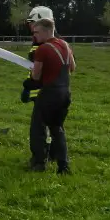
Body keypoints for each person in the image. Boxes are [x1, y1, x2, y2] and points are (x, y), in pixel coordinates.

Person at [24, 17, 75, 174]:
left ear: (46, 31)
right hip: (65, 93)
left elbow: (36, 76)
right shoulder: (65, 45)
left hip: (49, 94)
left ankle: (39, 163)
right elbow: (72, 67)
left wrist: (28, 83)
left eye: (37, 32)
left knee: (37, 128)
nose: (34, 35)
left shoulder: (42, 49)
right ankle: (63, 166)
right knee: (57, 128)